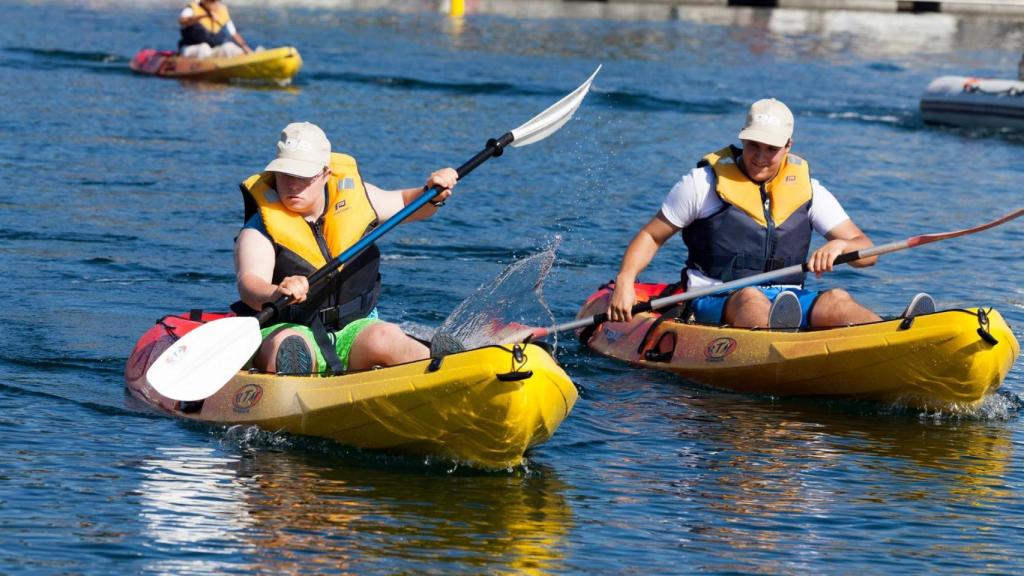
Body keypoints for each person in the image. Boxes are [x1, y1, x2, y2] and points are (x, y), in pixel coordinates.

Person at [607, 98, 933, 330]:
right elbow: (652, 235)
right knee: (749, 298)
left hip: (789, 297)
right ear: (743, 139)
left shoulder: (810, 190)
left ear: (788, 146)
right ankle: (779, 343)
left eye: (771, 149)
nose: (760, 157)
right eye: (753, 146)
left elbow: (866, 252)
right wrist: (625, 281)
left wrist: (841, 247)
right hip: (715, 298)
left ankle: (894, 337)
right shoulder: (701, 184)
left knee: (837, 298)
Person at [234, 122, 456, 374]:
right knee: (287, 345)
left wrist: (433, 192)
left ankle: (450, 368)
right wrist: (276, 292)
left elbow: (411, 204)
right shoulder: (260, 227)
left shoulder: (358, 200)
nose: (293, 185)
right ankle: (294, 379)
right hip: (289, 326)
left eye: (304, 176)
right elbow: (249, 284)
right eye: (286, 175)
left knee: (385, 336)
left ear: (326, 174)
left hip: (355, 328)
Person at [178, 0, 252, 59]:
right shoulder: (192, 8)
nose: (215, 4)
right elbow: (183, 22)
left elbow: (234, 33)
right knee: (204, 48)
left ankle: (248, 59)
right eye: (212, 1)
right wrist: (204, 16)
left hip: (213, 50)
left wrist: (245, 47)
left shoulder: (222, 12)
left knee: (229, 46)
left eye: (216, 1)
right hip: (190, 48)